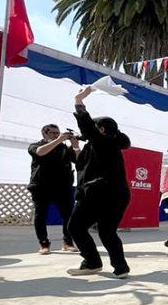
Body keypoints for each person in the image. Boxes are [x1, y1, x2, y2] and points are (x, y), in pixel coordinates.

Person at [66, 86, 132, 278]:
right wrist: (77, 148)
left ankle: (92, 261)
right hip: (116, 194)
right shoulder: (105, 145)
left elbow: (86, 125)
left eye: (94, 129)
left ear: (101, 129)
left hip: (98, 193)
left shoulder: (102, 141)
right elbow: (82, 166)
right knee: (107, 231)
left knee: (75, 227)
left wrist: (78, 100)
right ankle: (120, 267)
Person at [27, 124, 80, 254]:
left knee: (68, 215)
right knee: (41, 215)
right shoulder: (36, 145)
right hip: (41, 186)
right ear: (45, 133)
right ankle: (43, 243)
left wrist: (75, 146)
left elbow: (79, 160)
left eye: (58, 133)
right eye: (53, 133)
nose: (57, 135)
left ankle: (68, 242)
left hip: (63, 186)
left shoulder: (63, 148)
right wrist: (59, 140)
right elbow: (40, 152)